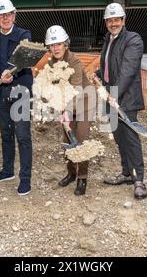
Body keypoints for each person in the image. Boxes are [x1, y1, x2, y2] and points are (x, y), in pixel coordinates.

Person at [91, 3, 147, 199]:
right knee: (119, 137)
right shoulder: (108, 40)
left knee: (130, 138)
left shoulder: (133, 39)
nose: (113, 23)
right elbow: (110, 67)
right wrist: (98, 74)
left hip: (126, 98)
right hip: (110, 95)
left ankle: (138, 180)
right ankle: (126, 173)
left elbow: (128, 69)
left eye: (117, 19)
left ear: (123, 21)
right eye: (110, 20)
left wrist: (116, 94)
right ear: (106, 22)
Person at [0, 0, 33, 196]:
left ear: (14, 15)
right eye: (1, 15)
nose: (6, 18)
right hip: (3, 93)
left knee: (22, 136)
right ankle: (7, 171)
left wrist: (11, 71)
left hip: (21, 91)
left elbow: (25, 60)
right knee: (6, 134)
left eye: (9, 14)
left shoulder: (24, 35)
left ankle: (26, 179)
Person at [44, 25, 94, 195]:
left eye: (58, 44)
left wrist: (66, 111)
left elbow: (76, 89)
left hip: (84, 102)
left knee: (81, 138)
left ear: (66, 44)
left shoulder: (74, 61)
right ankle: (72, 173)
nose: (55, 48)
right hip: (67, 103)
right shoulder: (51, 63)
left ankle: (82, 177)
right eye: (52, 45)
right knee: (67, 139)